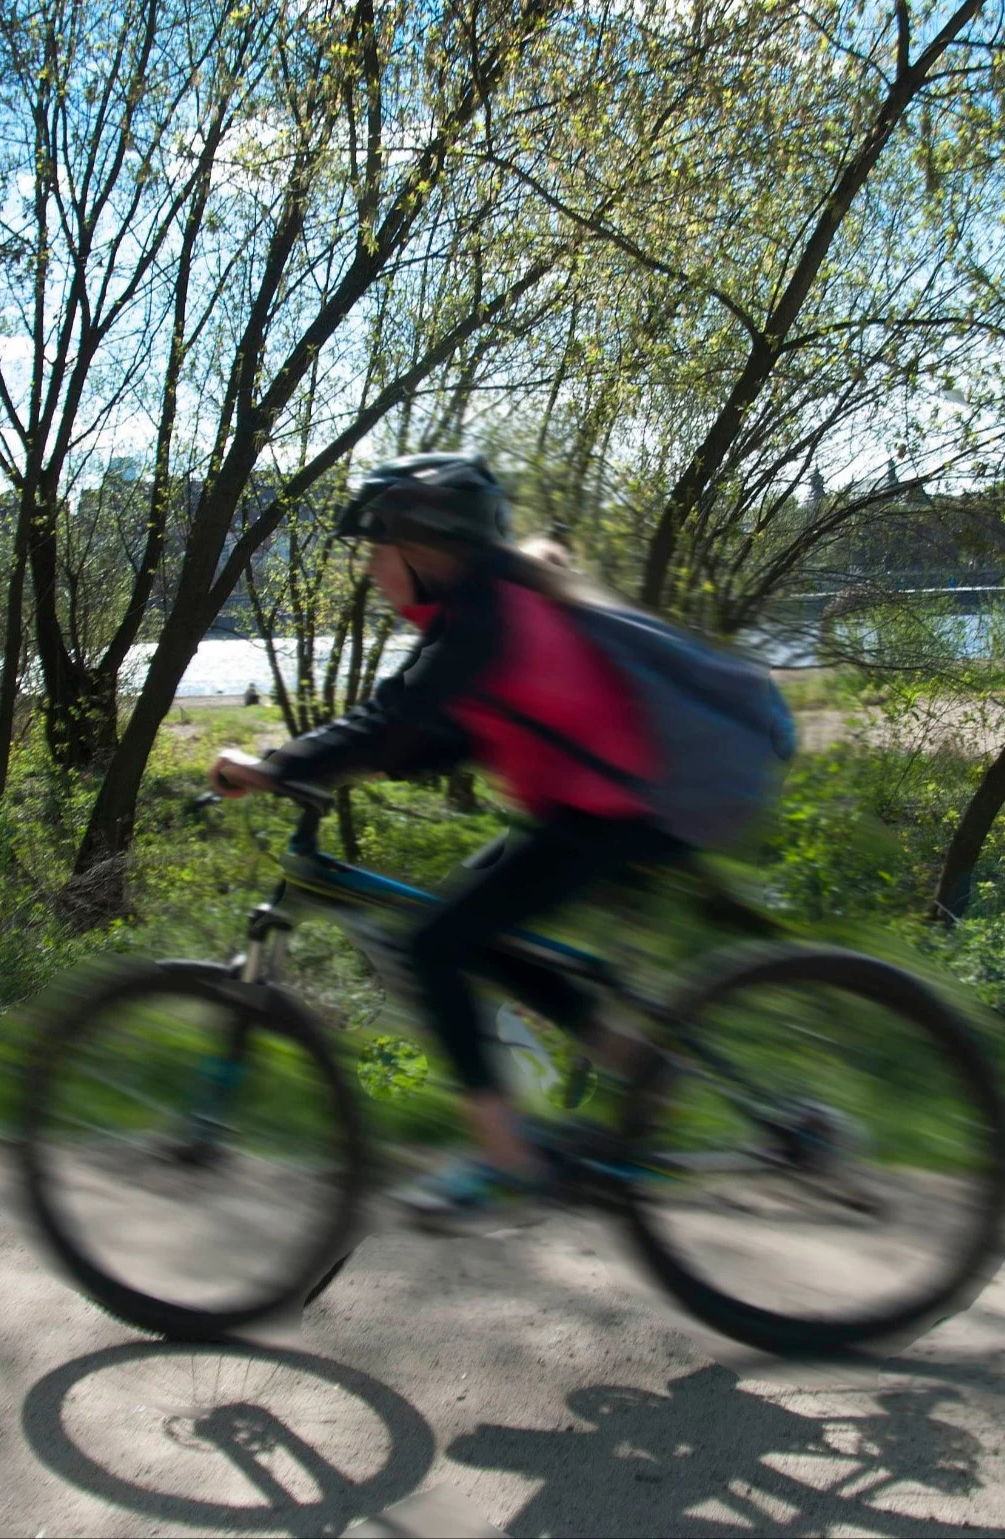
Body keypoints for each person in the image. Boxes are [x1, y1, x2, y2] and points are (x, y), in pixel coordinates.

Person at [209, 453, 684, 1228]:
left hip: (611, 814)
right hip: (602, 808)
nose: (369, 569)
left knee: (435, 943)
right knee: (472, 929)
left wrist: (276, 766)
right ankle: (638, 1058)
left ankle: (508, 1160)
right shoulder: (488, 612)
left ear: (425, 549)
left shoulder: (485, 617)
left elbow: (393, 718)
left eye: (375, 549)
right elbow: (443, 735)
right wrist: (343, 766)